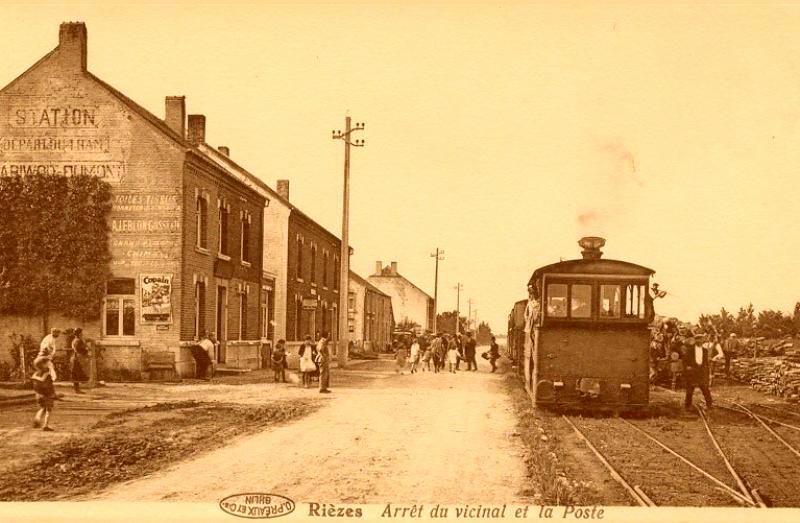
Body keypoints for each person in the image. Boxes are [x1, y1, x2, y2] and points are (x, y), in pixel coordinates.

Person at [682, 334, 713, 411]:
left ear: (703, 340)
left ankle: (709, 404)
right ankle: (687, 406)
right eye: (697, 339)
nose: (699, 341)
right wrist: (687, 367)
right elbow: (684, 361)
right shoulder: (690, 350)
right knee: (690, 389)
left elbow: (706, 362)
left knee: (705, 388)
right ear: (695, 340)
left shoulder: (705, 350)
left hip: (701, 372)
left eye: (701, 339)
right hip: (692, 371)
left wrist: (707, 372)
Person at [31, 356, 57, 431]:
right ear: (43, 365)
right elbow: (50, 385)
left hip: (38, 394)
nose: (50, 364)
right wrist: (53, 394)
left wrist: (38, 393)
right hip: (47, 395)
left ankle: (37, 419)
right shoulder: (47, 375)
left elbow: (35, 385)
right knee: (49, 410)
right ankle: (46, 425)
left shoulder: (35, 374)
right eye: (48, 363)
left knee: (43, 408)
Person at [70, 328, 89, 393]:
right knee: (77, 373)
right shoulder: (78, 341)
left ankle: (77, 389)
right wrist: (86, 350)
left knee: (76, 373)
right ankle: (77, 389)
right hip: (78, 358)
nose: (82, 334)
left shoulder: (74, 340)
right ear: (79, 334)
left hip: (75, 357)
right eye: (81, 333)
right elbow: (79, 349)